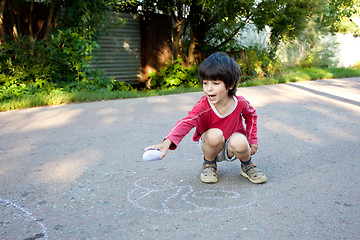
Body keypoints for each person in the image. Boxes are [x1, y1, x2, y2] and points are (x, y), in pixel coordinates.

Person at [146, 52, 267, 184]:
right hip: (210, 144)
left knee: (240, 140)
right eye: (205, 83)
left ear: (231, 85)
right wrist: (167, 142)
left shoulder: (240, 103)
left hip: (231, 146)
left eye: (215, 83)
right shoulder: (203, 106)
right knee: (215, 134)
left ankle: (247, 165)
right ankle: (209, 163)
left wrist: (252, 140)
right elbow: (186, 122)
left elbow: (251, 115)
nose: (209, 88)